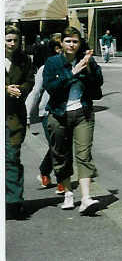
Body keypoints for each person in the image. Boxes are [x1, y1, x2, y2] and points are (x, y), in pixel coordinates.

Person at [43, 27, 104, 214]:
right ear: (61, 43)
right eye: (68, 41)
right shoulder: (53, 62)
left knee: (84, 155)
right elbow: (50, 87)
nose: (72, 44)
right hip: (59, 114)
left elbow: (98, 83)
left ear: (80, 44)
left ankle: (86, 198)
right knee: (61, 155)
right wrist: (73, 73)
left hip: (82, 113)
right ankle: (68, 193)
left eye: (75, 41)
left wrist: (90, 66)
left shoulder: (86, 60)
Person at [26, 34, 64, 192]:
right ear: (57, 49)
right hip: (47, 112)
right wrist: (27, 115)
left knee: (60, 146)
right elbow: (35, 92)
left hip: (66, 112)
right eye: (66, 43)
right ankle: (62, 181)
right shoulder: (45, 68)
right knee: (57, 146)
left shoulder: (73, 65)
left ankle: (44, 170)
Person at [6, 25, 35, 219]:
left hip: (14, 116)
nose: (12, 44)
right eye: (8, 40)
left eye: (15, 40)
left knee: (12, 157)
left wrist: (20, 90)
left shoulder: (23, 59)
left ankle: (14, 203)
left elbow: (30, 80)